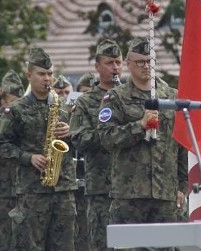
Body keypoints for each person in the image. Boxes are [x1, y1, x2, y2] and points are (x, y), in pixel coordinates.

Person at [98, 36, 188, 229]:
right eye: (140, 62)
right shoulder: (115, 98)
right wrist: (139, 126)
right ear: (128, 64)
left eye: (149, 61)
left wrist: (182, 186)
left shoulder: (171, 96)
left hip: (165, 192)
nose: (146, 66)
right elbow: (106, 138)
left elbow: (181, 143)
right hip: (129, 194)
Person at [0, 47, 77, 251]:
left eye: (49, 74)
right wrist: (27, 157)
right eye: (41, 74)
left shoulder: (62, 107)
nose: (47, 79)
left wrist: (70, 133)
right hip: (32, 192)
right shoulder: (16, 109)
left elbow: (81, 142)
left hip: (63, 189)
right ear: (29, 75)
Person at [70, 39, 123, 250]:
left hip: (130, 189)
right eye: (110, 63)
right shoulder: (85, 101)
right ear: (97, 67)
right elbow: (79, 138)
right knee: (101, 244)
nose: (115, 67)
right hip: (100, 188)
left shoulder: (128, 96)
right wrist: (113, 135)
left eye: (118, 62)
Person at [0, 69, 25, 251]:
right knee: (1, 243)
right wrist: (7, 118)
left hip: (24, 190)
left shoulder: (25, 117)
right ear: (3, 100)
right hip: (1, 194)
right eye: (12, 98)